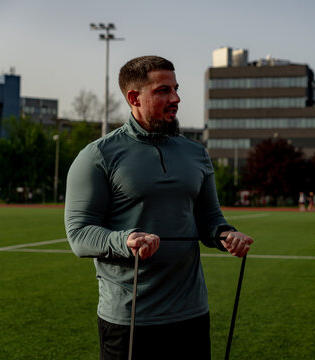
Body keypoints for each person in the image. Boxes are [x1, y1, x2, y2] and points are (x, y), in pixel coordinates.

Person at [64, 55, 253, 360]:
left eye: (176, 89)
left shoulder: (197, 154)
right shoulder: (97, 156)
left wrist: (226, 235)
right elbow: (79, 234)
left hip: (191, 314)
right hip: (129, 319)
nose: (176, 98)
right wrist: (126, 240)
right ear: (134, 98)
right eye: (163, 90)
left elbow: (209, 218)